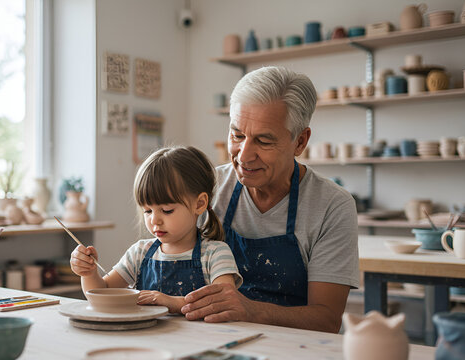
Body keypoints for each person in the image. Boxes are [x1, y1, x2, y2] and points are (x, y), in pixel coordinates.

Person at [181, 66, 359, 333]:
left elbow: (327, 320)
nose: (244, 155)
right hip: (211, 339)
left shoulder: (332, 206)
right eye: (237, 135)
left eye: (264, 141)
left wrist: (250, 310)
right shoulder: (206, 190)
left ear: (300, 141)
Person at [70, 146, 243, 314]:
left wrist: (172, 302)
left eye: (167, 211)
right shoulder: (139, 253)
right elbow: (102, 292)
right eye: (147, 211)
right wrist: (88, 273)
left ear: (199, 204)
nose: (154, 220)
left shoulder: (216, 254)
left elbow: (222, 302)